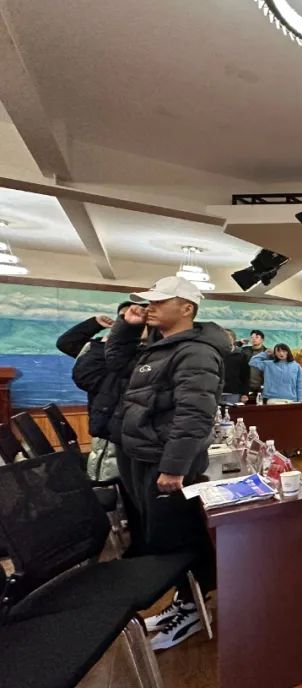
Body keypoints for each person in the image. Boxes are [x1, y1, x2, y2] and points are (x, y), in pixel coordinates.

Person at [106, 276, 230, 649]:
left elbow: (194, 414)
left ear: (186, 308)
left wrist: (175, 466)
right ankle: (183, 599)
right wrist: (126, 327)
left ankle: (193, 607)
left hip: (164, 461)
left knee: (175, 538)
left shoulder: (196, 353)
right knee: (159, 535)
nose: (150, 308)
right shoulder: (159, 346)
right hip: (142, 455)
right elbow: (116, 363)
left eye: (160, 302)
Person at [57, 303, 133, 485]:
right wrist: (95, 323)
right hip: (103, 422)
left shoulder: (135, 352)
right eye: (124, 318)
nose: (128, 322)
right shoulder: (100, 349)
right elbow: (66, 343)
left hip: (124, 424)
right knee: (105, 472)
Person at [221, 329, 251, 404]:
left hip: (233, 393)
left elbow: (245, 376)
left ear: (233, 340)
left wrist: (245, 393)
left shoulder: (241, 356)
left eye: (228, 338)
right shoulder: (215, 354)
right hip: (216, 392)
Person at [241, 329, 266, 399]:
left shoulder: (267, 352)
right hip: (246, 386)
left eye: (257, 337)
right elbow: (231, 349)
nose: (254, 339)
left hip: (261, 386)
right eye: (252, 337)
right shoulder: (245, 350)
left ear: (262, 340)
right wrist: (239, 343)